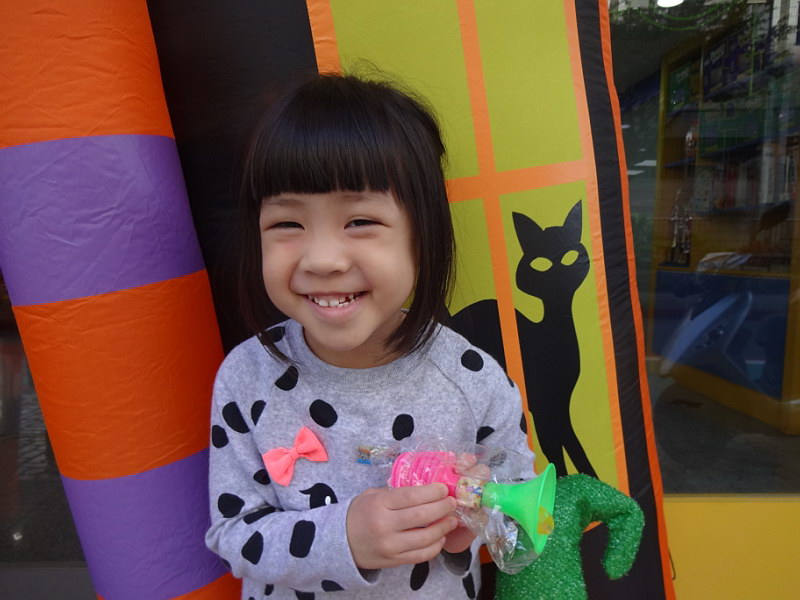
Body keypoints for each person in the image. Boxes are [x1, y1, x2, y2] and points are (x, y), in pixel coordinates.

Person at [205, 72, 535, 599]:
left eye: (359, 221)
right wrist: (346, 538)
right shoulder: (247, 376)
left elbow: (521, 514)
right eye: (287, 224)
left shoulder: (472, 378)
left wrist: (468, 527)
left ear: (422, 237)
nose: (323, 260)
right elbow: (232, 535)